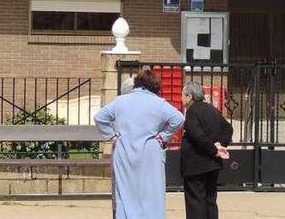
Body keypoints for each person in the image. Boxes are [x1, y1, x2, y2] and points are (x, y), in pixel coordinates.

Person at [95, 69, 184, 219]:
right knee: (152, 192)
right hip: (150, 150)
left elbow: (100, 117)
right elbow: (179, 118)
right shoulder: (158, 103)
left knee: (125, 192)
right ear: (155, 86)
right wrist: (163, 136)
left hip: (124, 149)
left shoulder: (120, 101)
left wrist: (113, 135)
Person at [180, 81, 233, 219]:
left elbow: (196, 134)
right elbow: (228, 129)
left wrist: (214, 149)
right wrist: (220, 145)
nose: (181, 99)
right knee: (210, 200)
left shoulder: (192, 111)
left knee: (196, 202)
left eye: (183, 95)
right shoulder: (212, 109)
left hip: (196, 165)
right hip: (212, 164)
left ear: (189, 96)